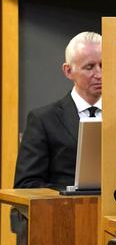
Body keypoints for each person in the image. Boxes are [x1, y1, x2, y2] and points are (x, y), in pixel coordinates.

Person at [14, 31, 102, 188]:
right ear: (68, 71)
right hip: (64, 208)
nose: (99, 74)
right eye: (89, 67)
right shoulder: (43, 120)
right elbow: (26, 185)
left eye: (103, 65)